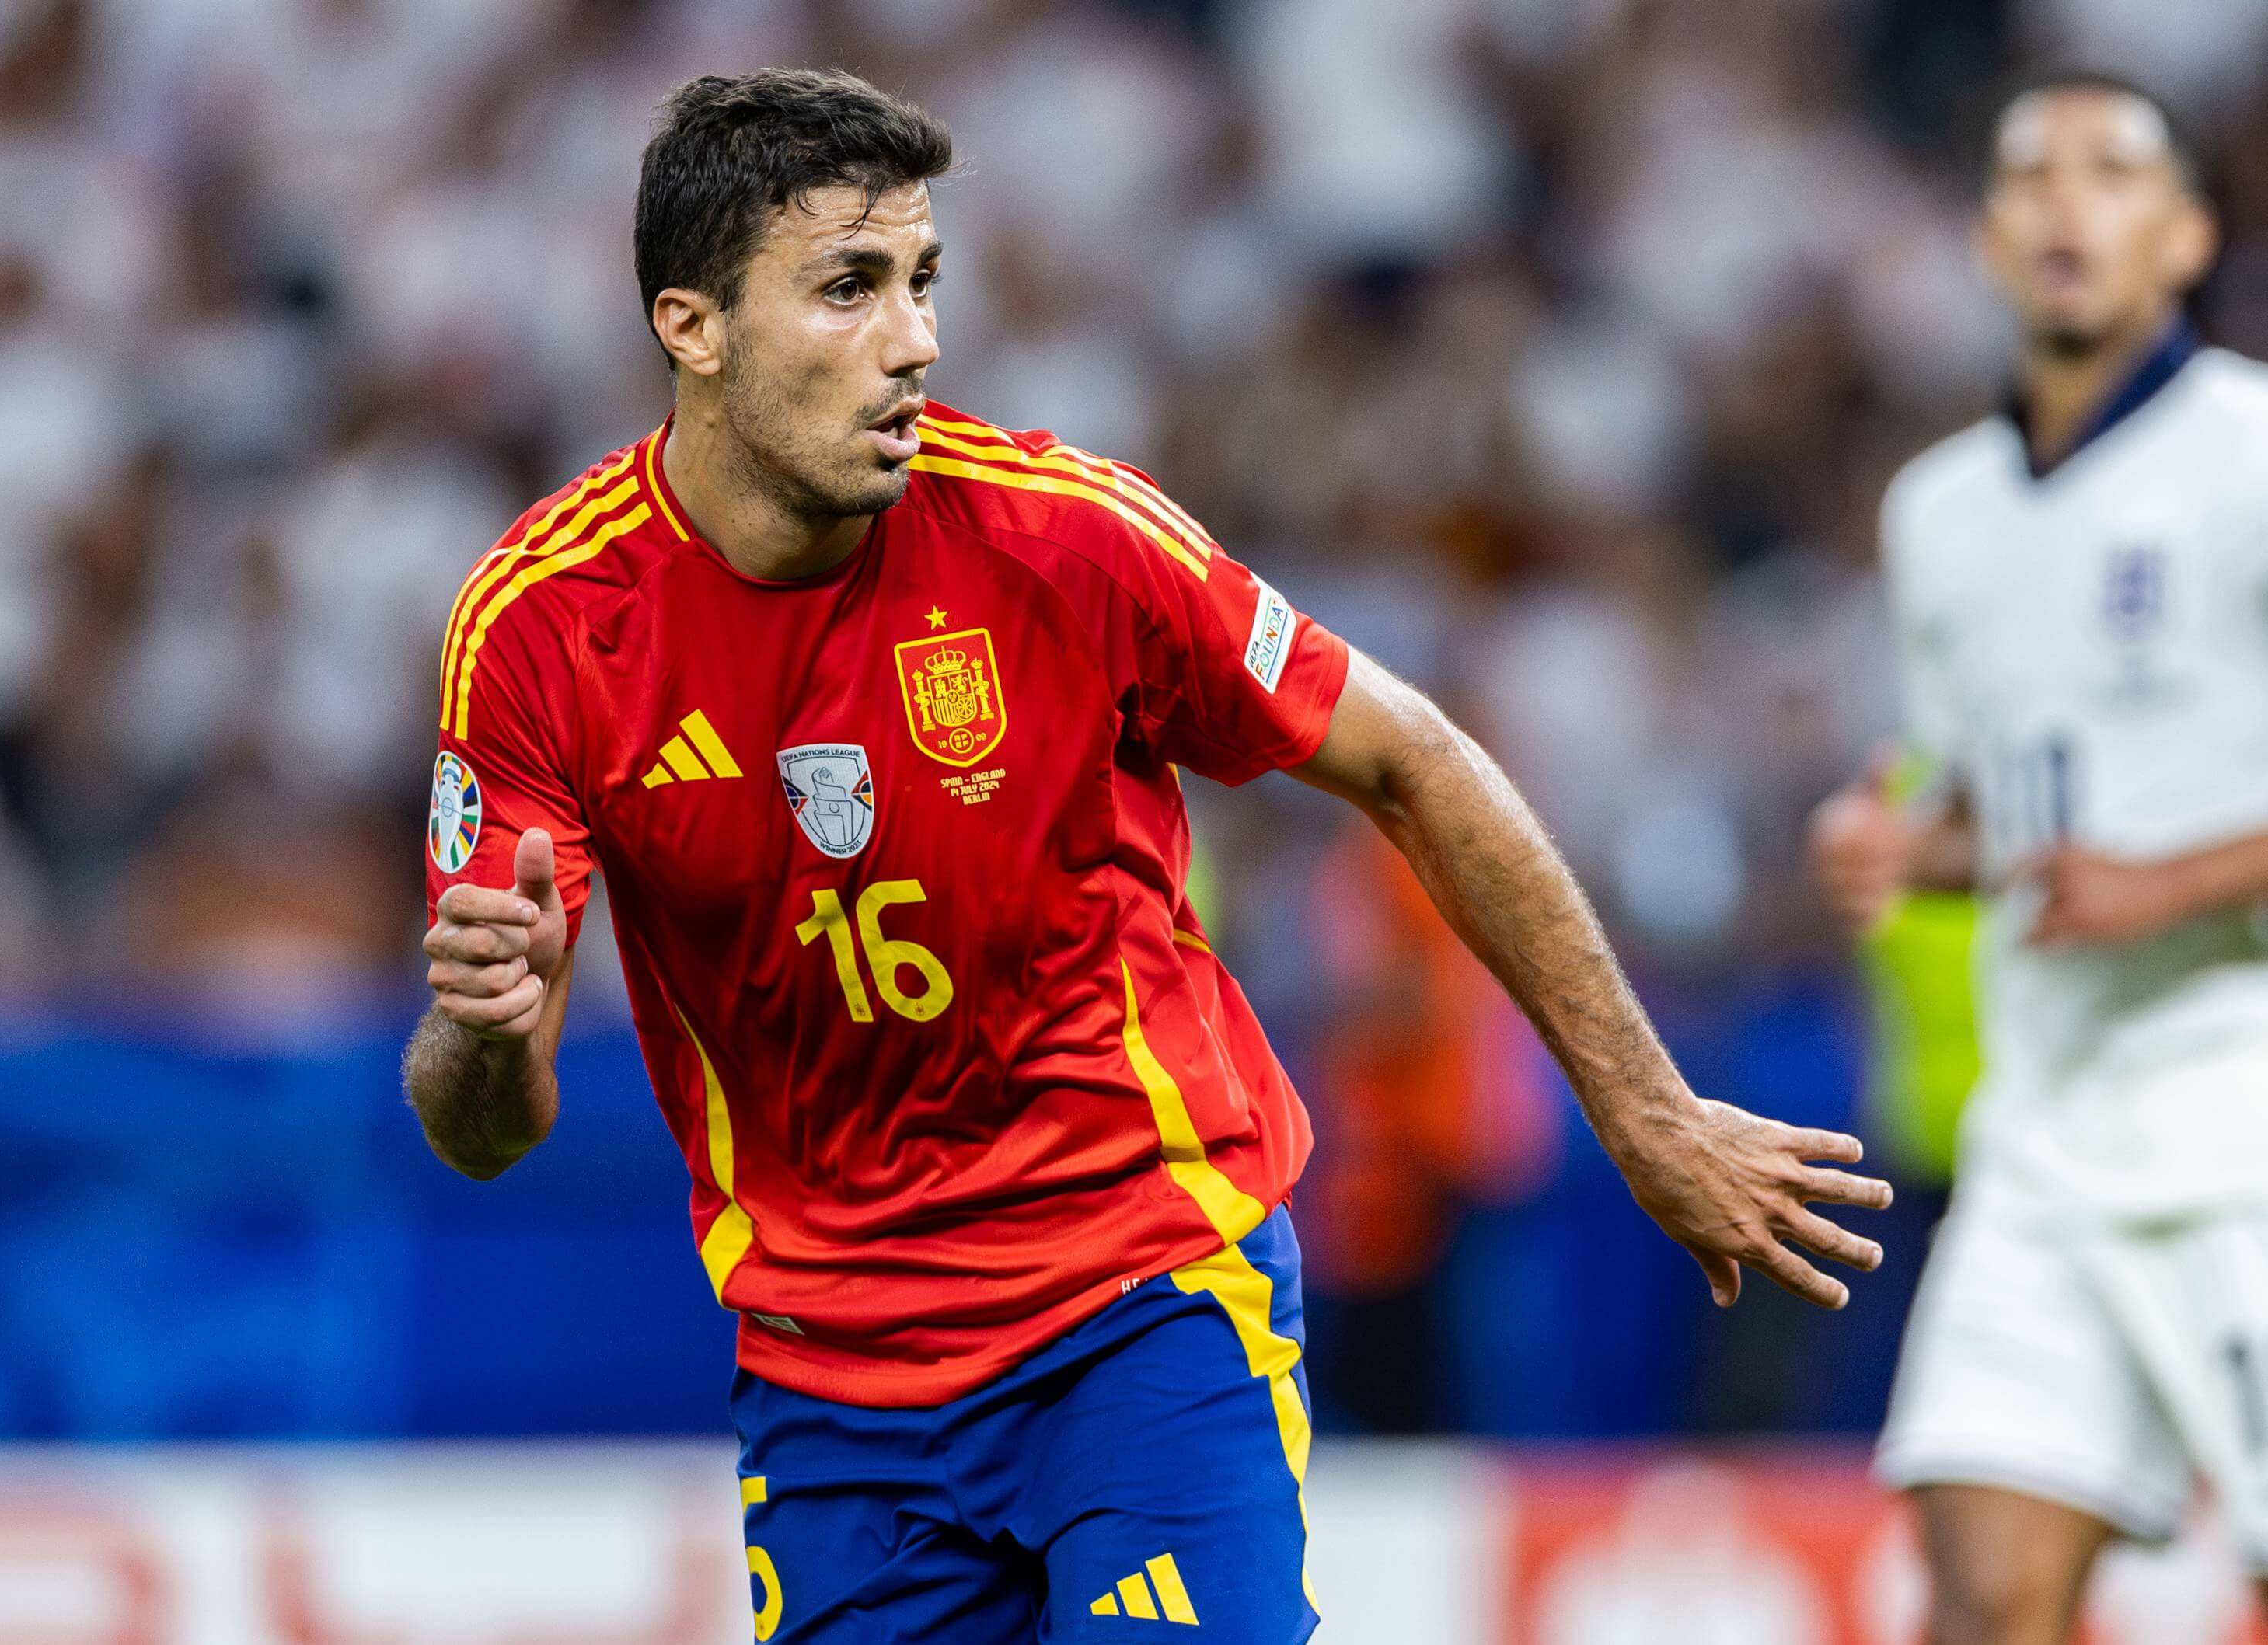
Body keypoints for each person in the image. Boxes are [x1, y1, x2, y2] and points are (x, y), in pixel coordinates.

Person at [408, 68, 1889, 1644]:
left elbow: (1417, 762)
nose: (913, 340)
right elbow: (482, 1129)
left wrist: (1644, 1116)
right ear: (690, 327)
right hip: (832, 1383)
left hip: (1138, 1300)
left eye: (922, 283)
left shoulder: (1065, 539)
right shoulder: (545, 629)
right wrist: (480, 1038)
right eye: (847, 289)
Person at [1810, 70, 2268, 1645]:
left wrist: (2175, 877)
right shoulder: (1936, 515)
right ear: (1989, 237)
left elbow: (2130, 845)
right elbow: (2021, 815)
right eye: (2030, 175)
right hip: (2046, 1142)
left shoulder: (2247, 459)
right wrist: (1908, 850)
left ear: (2186, 232)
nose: (2066, 200)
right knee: (1980, 1600)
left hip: (2244, 1117)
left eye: (2112, 171)